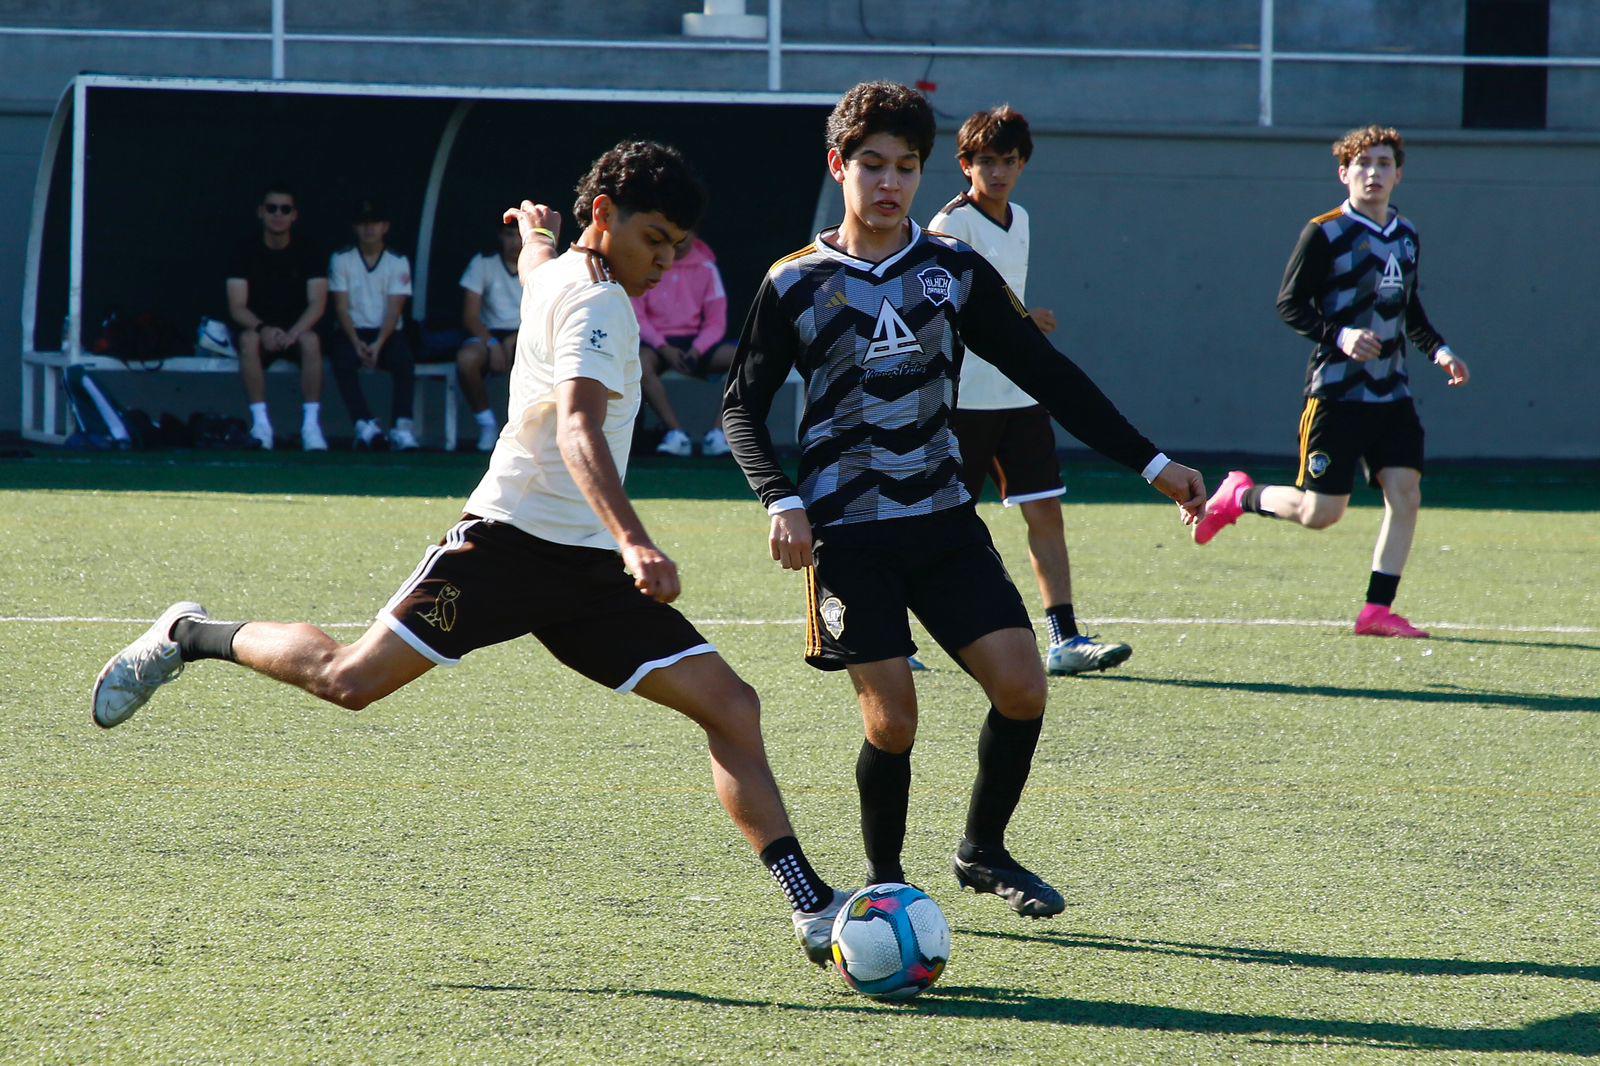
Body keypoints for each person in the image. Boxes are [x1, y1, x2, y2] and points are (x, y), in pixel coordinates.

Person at [92, 142, 847, 966]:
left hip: (587, 577)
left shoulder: (561, 269)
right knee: (347, 681)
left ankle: (809, 904)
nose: (664, 261)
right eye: (654, 238)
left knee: (732, 706)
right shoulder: (595, 303)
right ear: (605, 217)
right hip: (506, 549)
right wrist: (636, 539)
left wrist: (531, 232)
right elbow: (578, 428)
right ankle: (188, 634)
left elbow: (533, 268)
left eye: (676, 246)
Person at [722, 82, 1206, 916]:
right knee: (895, 723)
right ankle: (887, 885)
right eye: (871, 164)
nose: (889, 183)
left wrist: (1151, 463)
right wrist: (780, 498)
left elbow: (1046, 373)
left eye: (906, 167)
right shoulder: (794, 283)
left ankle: (982, 850)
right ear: (838, 166)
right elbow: (741, 404)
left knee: (1023, 687)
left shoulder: (951, 270)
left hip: (944, 522)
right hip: (849, 533)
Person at [1193, 125, 1471, 639]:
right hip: (1337, 394)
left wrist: (1441, 351)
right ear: (1344, 173)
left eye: (1384, 164)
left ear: (1399, 174)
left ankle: (1377, 610)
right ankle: (1239, 496)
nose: (1374, 173)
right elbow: (1289, 305)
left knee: (1405, 492)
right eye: (1363, 164)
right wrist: (1339, 335)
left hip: (1393, 394)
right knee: (1321, 513)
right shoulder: (1323, 232)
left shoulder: (1406, 235)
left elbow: (1409, 310)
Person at [930, 105, 1132, 676]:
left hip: (1019, 396)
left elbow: (1002, 302)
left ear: (1023, 165)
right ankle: (899, 633)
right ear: (965, 164)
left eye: (1009, 161)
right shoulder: (948, 227)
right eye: (986, 162)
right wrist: (1019, 320)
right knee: (940, 521)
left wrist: (1019, 324)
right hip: (961, 399)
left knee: (1045, 512)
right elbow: (944, 308)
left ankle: (1064, 639)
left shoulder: (1020, 216)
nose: (998, 172)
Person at [225, 181, 328, 451]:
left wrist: (293, 333)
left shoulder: (309, 250)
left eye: (285, 209)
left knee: (311, 341)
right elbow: (237, 306)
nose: (278, 215)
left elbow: (318, 303)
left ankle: (311, 427)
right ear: (261, 212)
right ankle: (261, 426)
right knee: (247, 341)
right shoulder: (243, 250)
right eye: (272, 208)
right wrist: (263, 329)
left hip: (296, 331)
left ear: (294, 215)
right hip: (261, 332)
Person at [327, 199, 419, 451]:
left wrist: (378, 343)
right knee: (342, 359)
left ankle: (402, 426)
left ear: (385, 227)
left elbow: (395, 307)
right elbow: (341, 306)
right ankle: (364, 424)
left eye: (375, 223)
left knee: (403, 359)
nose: (369, 229)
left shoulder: (397, 260)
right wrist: (356, 342)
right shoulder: (341, 258)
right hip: (351, 331)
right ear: (355, 228)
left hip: (386, 333)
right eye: (363, 224)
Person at [635, 232, 736, 457]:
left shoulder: (707, 268)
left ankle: (718, 433)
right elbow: (638, 316)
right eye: (674, 237)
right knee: (639, 363)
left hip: (696, 343)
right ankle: (676, 433)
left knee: (745, 359)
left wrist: (697, 349)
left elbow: (716, 322)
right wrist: (663, 347)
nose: (679, 244)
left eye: (684, 236)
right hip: (657, 344)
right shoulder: (648, 265)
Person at [457, 218, 524, 452]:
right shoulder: (483, 263)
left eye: (520, 235)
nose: (515, 242)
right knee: (466, 360)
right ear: (500, 237)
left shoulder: (543, 265)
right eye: (508, 235)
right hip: (490, 335)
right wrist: (493, 342)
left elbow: (547, 313)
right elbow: (470, 316)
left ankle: (530, 433)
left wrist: (514, 340)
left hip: (528, 335)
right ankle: (487, 425)